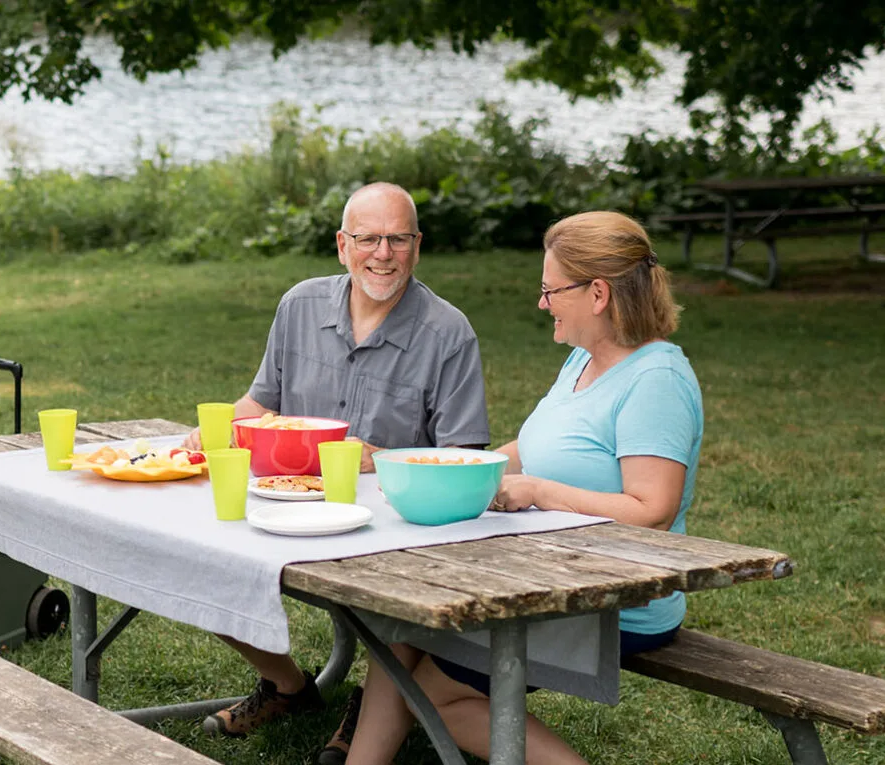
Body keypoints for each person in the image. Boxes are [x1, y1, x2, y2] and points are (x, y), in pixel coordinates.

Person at [339, 210, 700, 765]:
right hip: (554, 571)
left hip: (617, 600)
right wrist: (418, 466)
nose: (541, 303)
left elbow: (653, 509)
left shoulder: (657, 381)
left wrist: (538, 491)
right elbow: (530, 450)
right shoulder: (583, 360)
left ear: (598, 294)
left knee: (435, 694)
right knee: (404, 625)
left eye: (551, 290)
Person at [181, 182, 490, 749]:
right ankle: (287, 684)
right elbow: (261, 404)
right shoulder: (299, 305)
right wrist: (216, 429)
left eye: (398, 239)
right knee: (196, 557)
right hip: (284, 505)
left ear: (417, 246)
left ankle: (373, 703)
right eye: (368, 239)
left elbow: (465, 463)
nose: (383, 253)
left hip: (393, 533)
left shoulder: (448, 333)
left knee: (400, 604)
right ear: (342, 245)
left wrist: (385, 460)